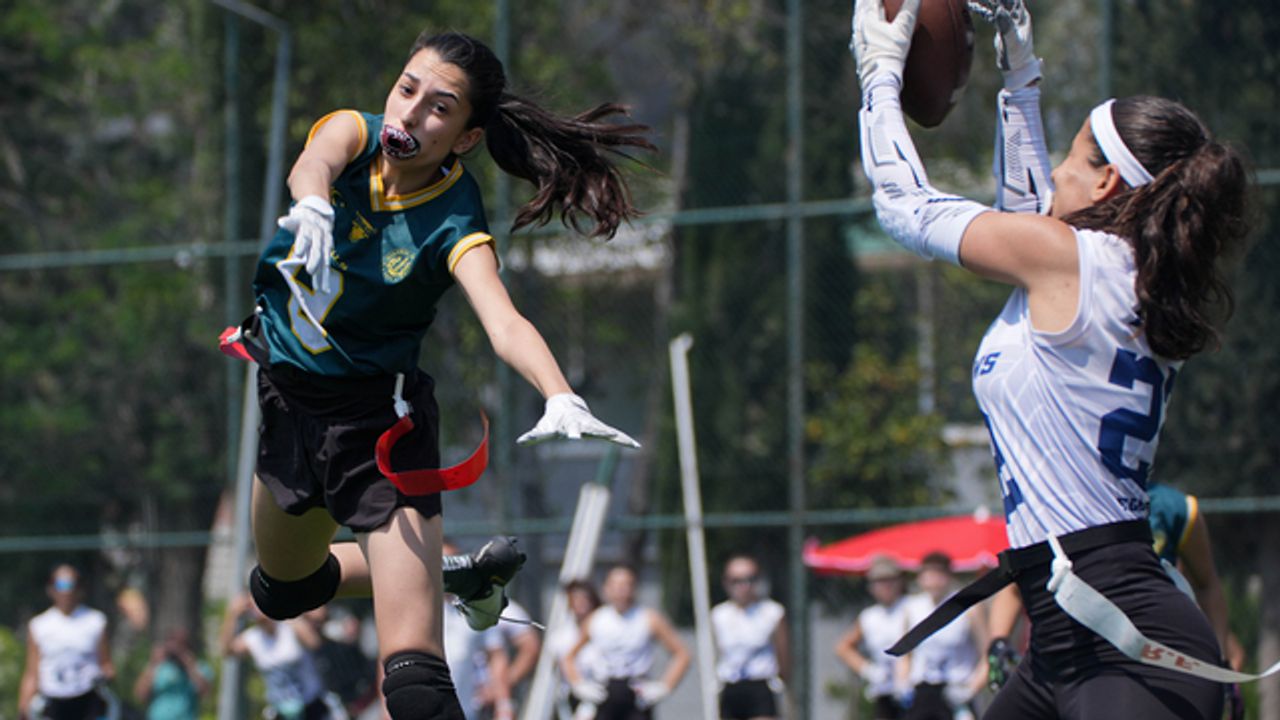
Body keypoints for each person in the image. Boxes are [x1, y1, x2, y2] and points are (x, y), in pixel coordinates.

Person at [229, 28, 651, 720]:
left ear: (465, 138)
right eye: (408, 89)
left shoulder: (454, 217)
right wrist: (312, 203)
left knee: (416, 684)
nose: (412, 112)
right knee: (281, 591)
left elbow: (504, 322)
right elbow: (313, 161)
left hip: (378, 429)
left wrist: (560, 395)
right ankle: (455, 573)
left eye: (439, 108)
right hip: (287, 400)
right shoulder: (354, 133)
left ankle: (427, 577)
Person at [850, 0, 1252, 717]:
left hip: (1120, 634)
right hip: (1074, 625)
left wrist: (878, 71)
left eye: (1071, 158)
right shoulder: (1125, 273)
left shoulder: (1073, 262)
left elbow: (902, 205)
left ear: (1106, 185)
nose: (1057, 174)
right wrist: (1019, 74)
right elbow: (1031, 212)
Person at [563, 565, 690, 720]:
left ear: (634, 588)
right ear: (606, 588)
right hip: (605, 693)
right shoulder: (596, 619)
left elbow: (682, 654)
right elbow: (569, 656)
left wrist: (664, 687)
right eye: (615, 585)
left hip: (636, 694)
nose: (620, 591)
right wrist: (579, 684)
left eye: (625, 585)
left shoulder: (648, 618)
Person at [221, 593, 342, 720]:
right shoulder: (253, 638)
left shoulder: (290, 626)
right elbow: (227, 650)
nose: (256, 609)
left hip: (312, 705)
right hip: (283, 710)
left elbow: (315, 643)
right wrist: (233, 614)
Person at [19, 565, 116, 720]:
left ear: (80, 589)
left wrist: (105, 676)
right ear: (51, 589)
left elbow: (106, 664)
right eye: (61, 585)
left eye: (71, 584)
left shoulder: (95, 621)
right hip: (53, 702)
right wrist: (24, 706)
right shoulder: (39, 625)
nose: (67, 591)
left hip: (88, 700)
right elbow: (32, 674)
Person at [899, 553, 985, 720]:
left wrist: (971, 689)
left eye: (938, 572)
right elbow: (904, 655)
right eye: (928, 572)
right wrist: (902, 683)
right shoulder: (911, 607)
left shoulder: (967, 607)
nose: (933, 579)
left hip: (957, 689)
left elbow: (987, 653)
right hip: (922, 691)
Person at [710, 554, 789, 720]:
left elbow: (783, 656)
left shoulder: (771, 612)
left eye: (750, 579)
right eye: (736, 581)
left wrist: (782, 680)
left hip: (760, 686)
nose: (743, 586)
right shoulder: (719, 614)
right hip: (731, 686)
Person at [834, 556, 909, 719]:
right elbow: (843, 647)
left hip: (912, 689)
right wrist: (868, 670)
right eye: (880, 581)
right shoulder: (869, 617)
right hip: (884, 691)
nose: (886, 586)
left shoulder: (911, 607)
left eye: (890, 580)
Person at [548, 580, 605, 720]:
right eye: (575, 599)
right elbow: (564, 662)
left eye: (584, 598)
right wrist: (579, 685)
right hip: (573, 698)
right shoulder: (560, 637)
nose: (580, 603)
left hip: (603, 695)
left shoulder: (605, 629)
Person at [132, 627, 212, 720]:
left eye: (180, 646)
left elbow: (205, 693)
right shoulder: (159, 668)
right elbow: (140, 695)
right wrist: (153, 664)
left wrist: (189, 665)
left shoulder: (199, 667)